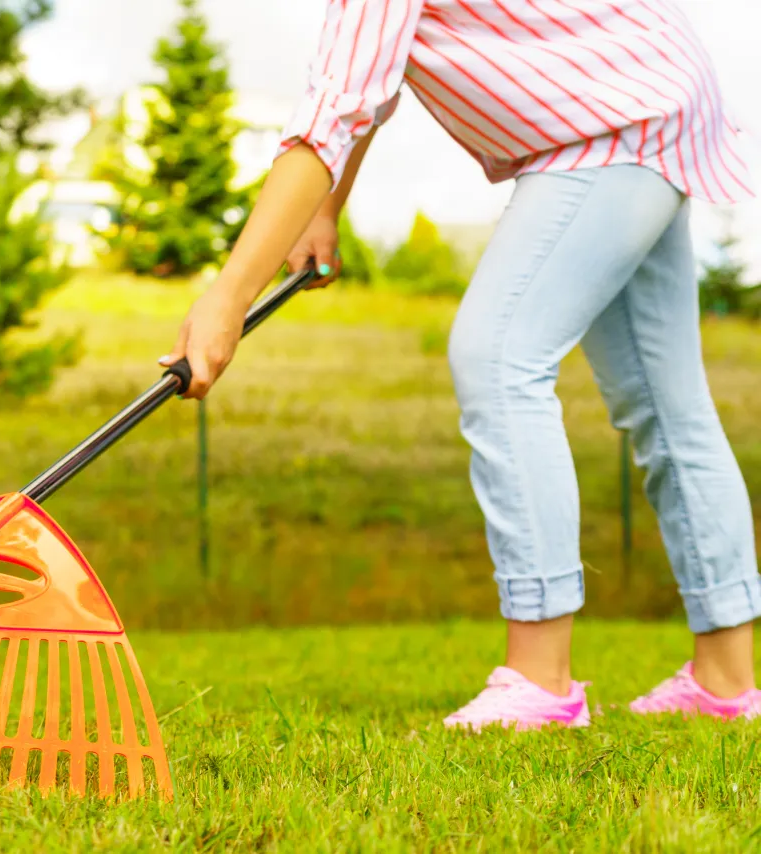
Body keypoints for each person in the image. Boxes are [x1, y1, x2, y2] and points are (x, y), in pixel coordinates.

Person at [159, 0, 761, 729]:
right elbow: (363, 90)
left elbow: (332, 113)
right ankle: (725, 682)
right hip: (650, 92)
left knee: (499, 354)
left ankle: (541, 679)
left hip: (613, 119)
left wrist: (228, 296)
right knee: (667, 404)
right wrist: (323, 211)